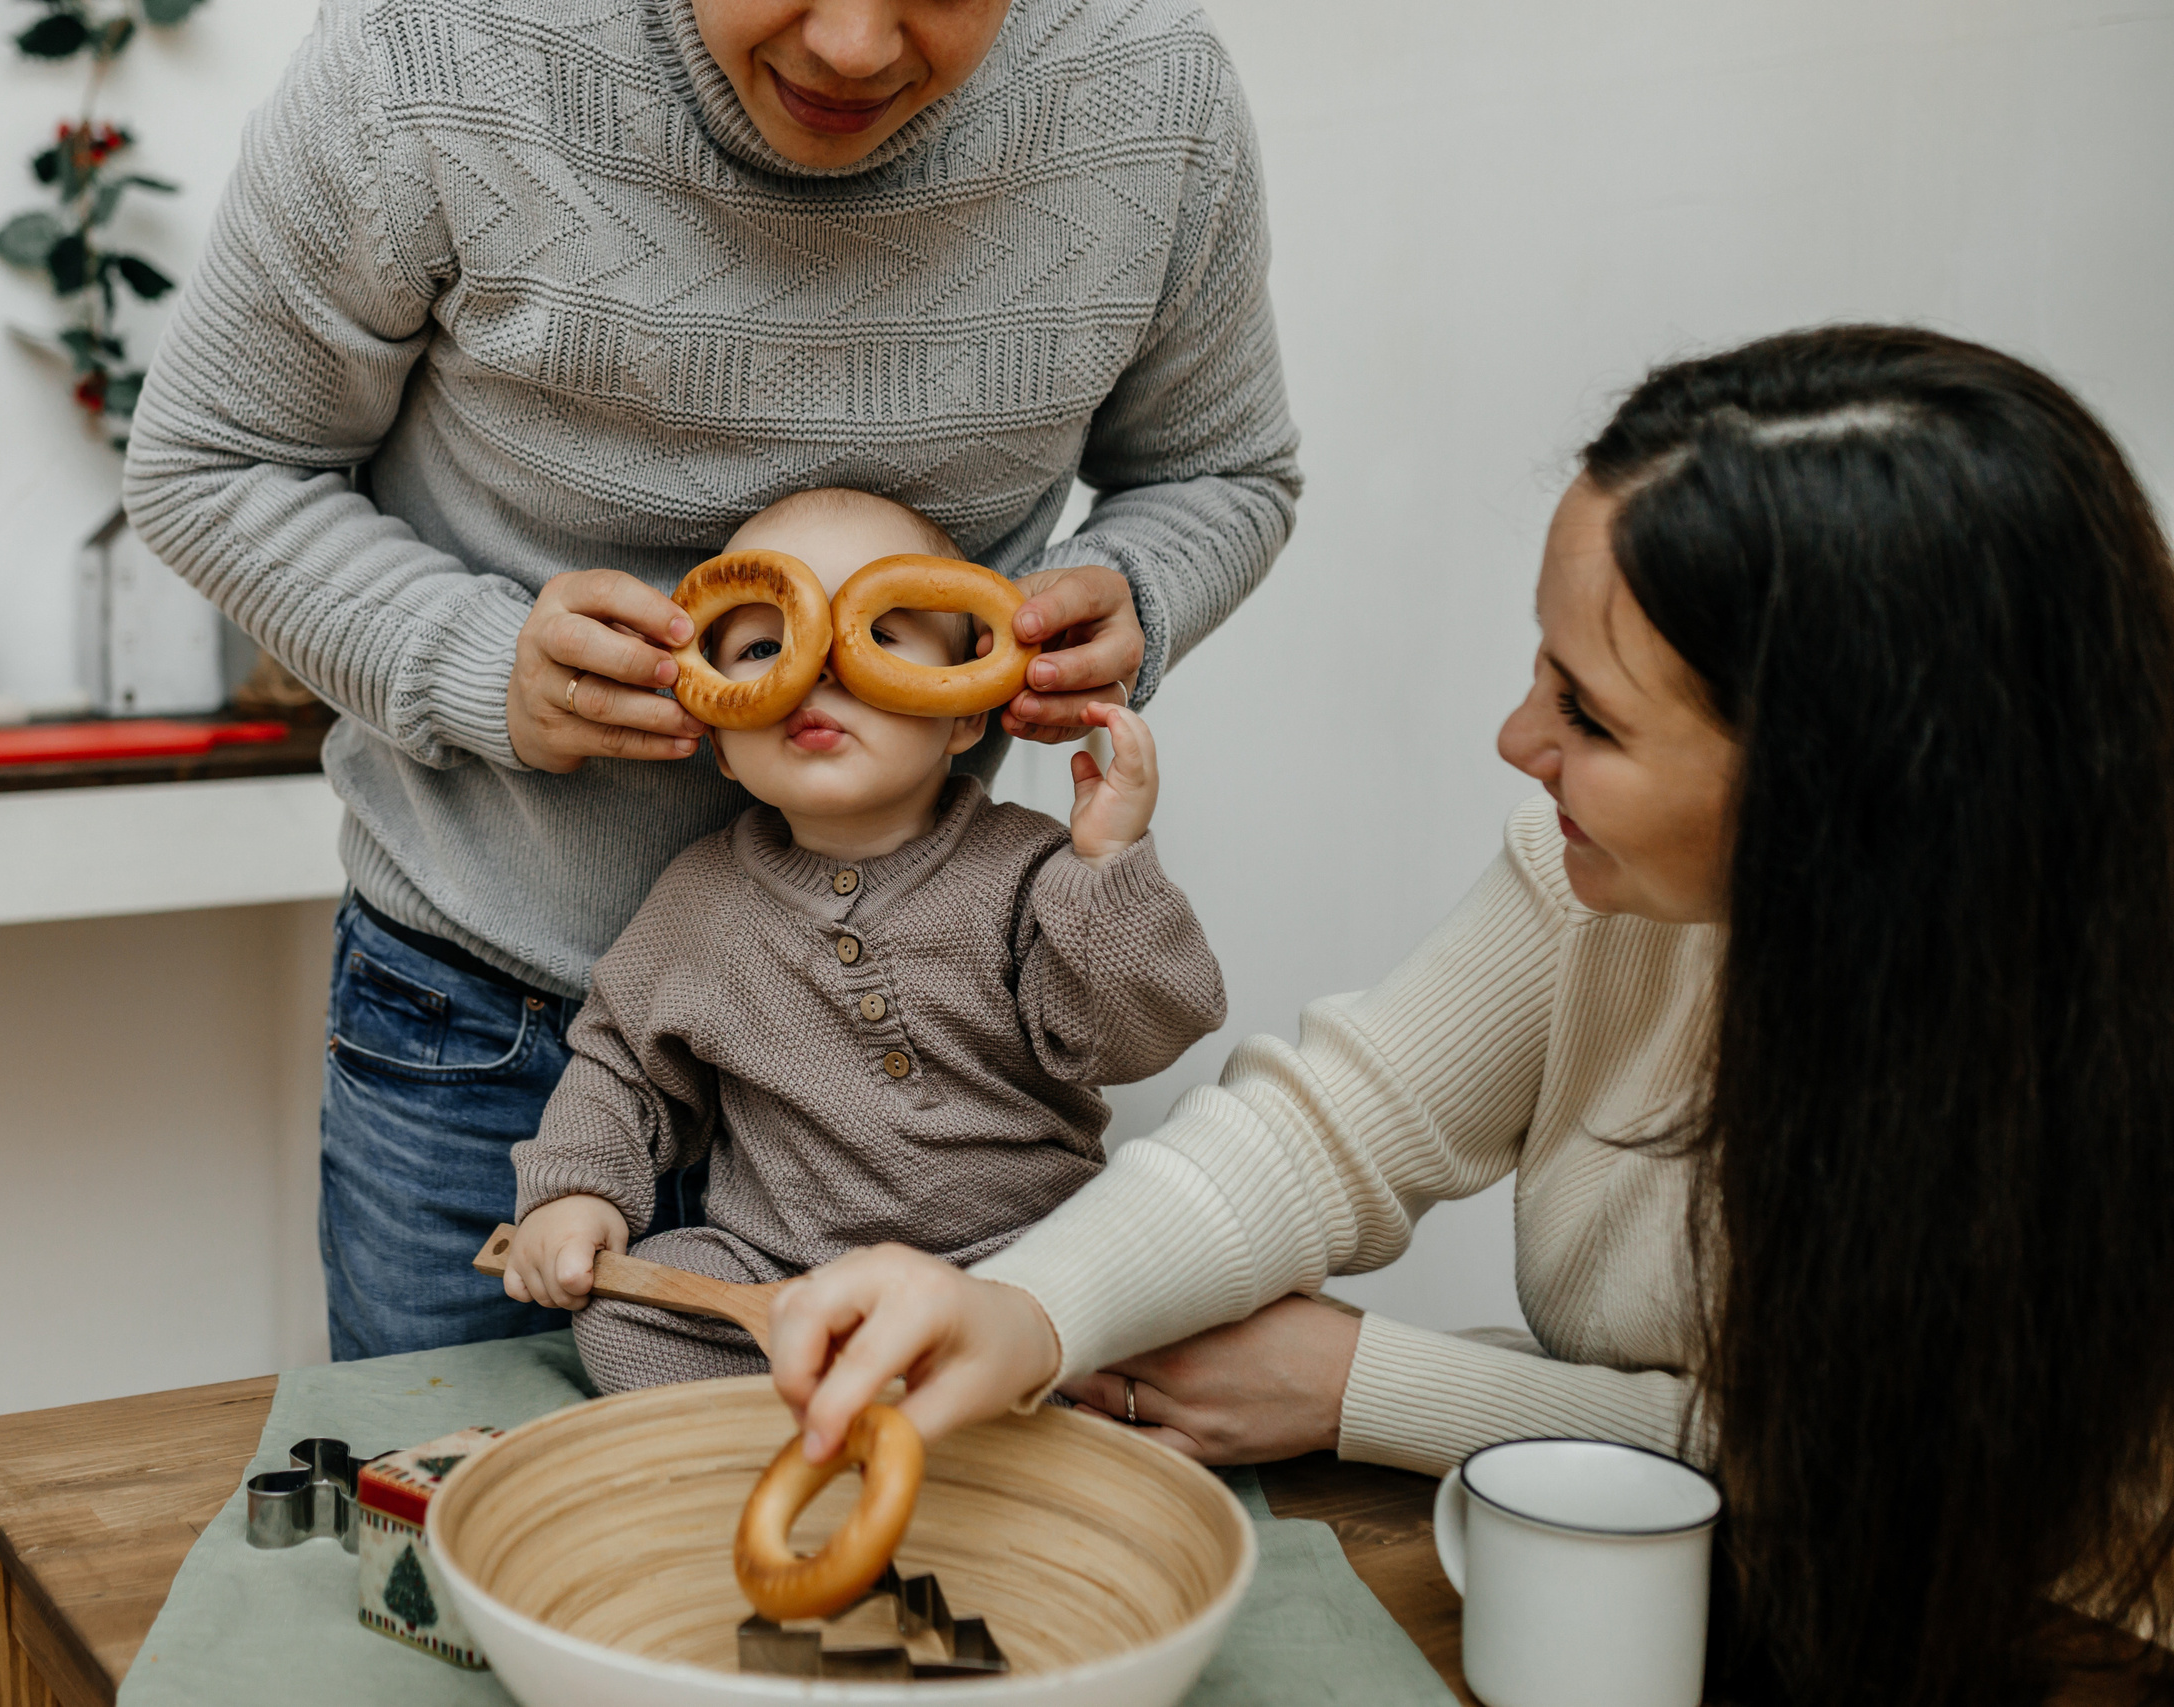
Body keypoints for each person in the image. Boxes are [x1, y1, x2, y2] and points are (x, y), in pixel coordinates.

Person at [765, 327, 2174, 1706]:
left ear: (1842, 789)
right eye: (1541, 669)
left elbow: (1912, 1480)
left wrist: (1371, 1383)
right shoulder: (1587, 882)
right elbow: (1331, 1129)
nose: (1517, 739)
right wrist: (1026, 1309)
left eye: (1592, 717)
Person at [122, 0, 1299, 1360]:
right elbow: (210, 462)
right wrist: (480, 663)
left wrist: (1134, 590)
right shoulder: (428, 57)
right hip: (490, 1027)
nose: (853, 48)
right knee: (465, 1478)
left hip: (916, 1126)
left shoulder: (1154, 94)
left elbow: (1225, 470)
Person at [501, 488, 1224, 1391]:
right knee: (626, 1318)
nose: (818, 672)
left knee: (1166, 1292)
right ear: (720, 731)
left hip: (1022, 1262)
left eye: (881, 637)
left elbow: (1135, 1039)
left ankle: (981, 1394)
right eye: (764, 648)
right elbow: (621, 1067)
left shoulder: (1032, 868)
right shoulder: (697, 902)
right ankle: (836, 1415)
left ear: (966, 709)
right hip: (786, 1273)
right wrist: (576, 1190)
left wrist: (1107, 865)